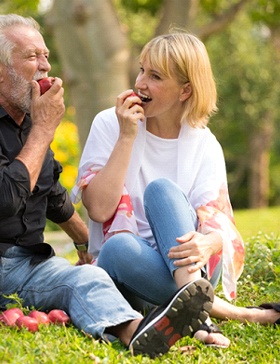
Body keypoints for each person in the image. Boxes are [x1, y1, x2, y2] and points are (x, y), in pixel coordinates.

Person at [0, 15, 215, 359]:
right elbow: (5, 198)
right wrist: (43, 129)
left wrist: (84, 239)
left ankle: (136, 333)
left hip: (28, 269)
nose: (46, 66)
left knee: (88, 276)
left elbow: (52, 195)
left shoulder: (29, 122)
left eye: (45, 55)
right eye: (32, 58)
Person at [71, 31, 280, 348]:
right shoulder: (109, 124)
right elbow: (99, 210)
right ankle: (223, 313)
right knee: (116, 248)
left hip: (192, 265)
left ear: (185, 90)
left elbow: (218, 224)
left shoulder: (205, 144)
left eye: (155, 76)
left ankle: (194, 309)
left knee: (162, 191)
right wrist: (127, 136)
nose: (140, 83)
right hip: (131, 271)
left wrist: (207, 244)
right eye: (142, 70)